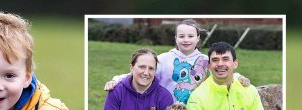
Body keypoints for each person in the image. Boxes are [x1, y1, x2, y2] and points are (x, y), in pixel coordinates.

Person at [104, 19, 250, 104]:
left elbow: (222, 72)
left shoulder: (204, 60)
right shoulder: (163, 59)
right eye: (181, 36)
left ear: (198, 38)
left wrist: (238, 77)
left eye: (190, 36)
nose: (186, 40)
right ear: (175, 38)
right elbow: (140, 74)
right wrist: (116, 80)